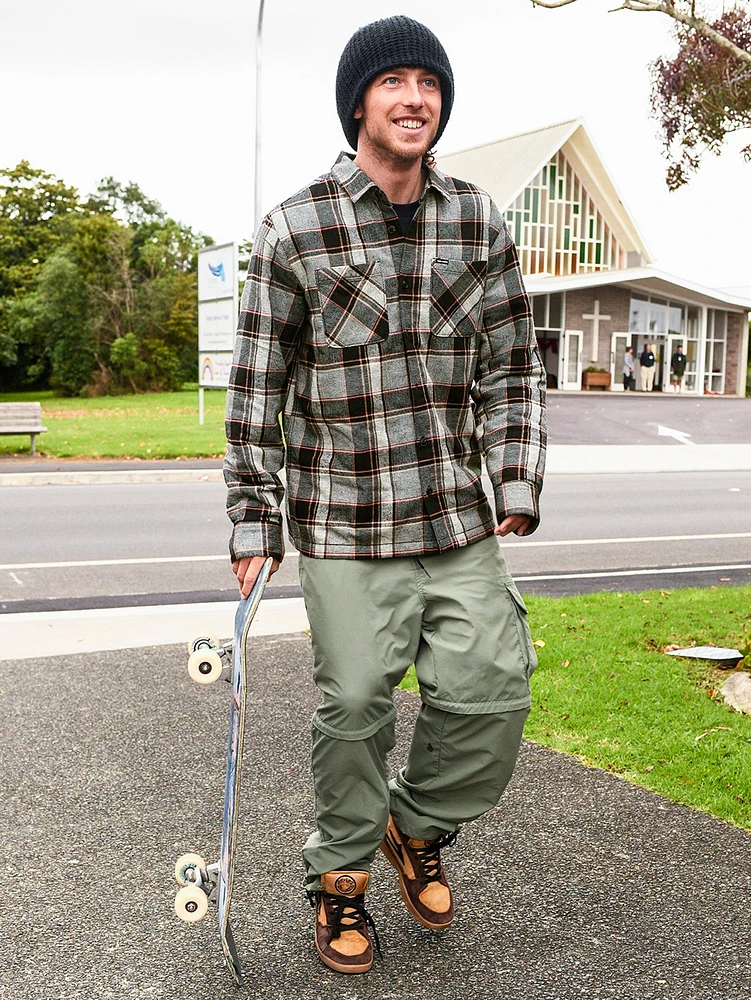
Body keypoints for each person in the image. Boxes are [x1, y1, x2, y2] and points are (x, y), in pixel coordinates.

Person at [223, 15, 546, 975]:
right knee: (357, 701)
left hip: (454, 512)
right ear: (358, 102)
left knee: (494, 692)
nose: (415, 98)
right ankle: (340, 884)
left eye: (429, 82)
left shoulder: (476, 219)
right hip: (343, 516)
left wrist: (514, 475)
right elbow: (256, 391)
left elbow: (514, 368)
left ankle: (414, 826)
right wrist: (254, 517)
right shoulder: (295, 227)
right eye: (394, 81)